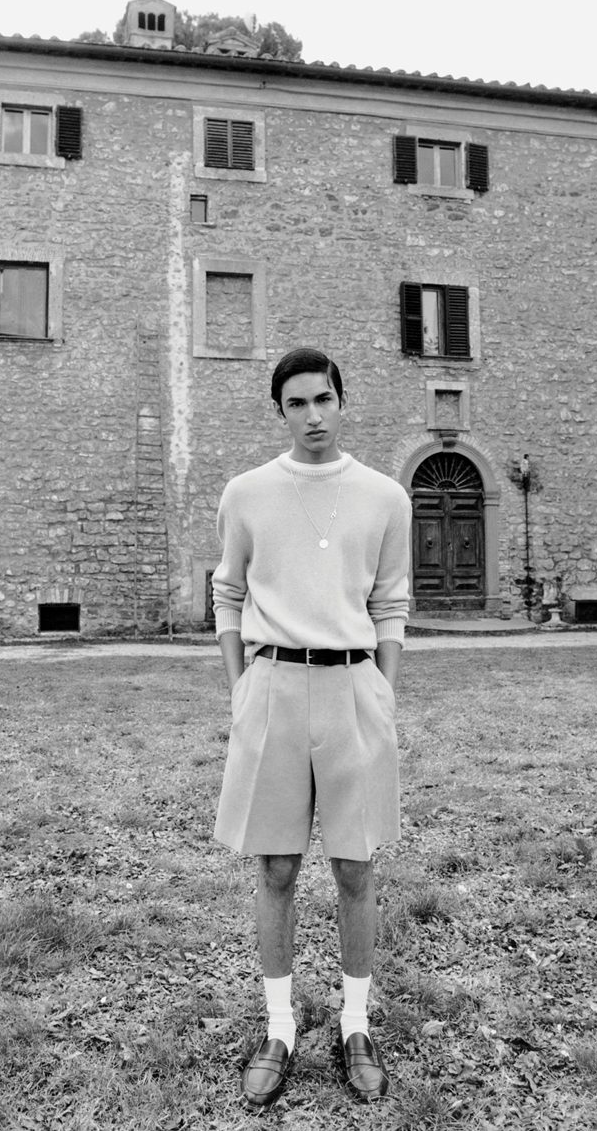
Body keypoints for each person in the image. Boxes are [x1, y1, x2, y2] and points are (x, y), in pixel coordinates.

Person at [211, 347, 412, 1108]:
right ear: (281, 410)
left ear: (342, 399)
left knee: (356, 866)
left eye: (324, 398)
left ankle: (356, 1024)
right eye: (297, 403)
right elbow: (227, 593)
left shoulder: (385, 496)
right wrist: (241, 690)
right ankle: (279, 1026)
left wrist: (382, 693)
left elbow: (391, 601)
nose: (314, 415)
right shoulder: (248, 493)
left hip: (354, 686)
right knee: (276, 869)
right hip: (272, 686)